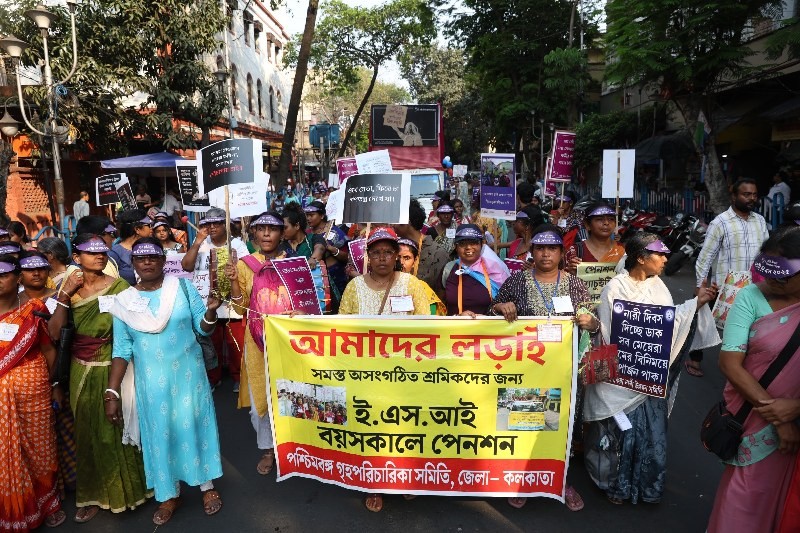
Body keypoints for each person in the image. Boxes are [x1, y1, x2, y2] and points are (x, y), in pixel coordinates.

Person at [583, 232, 719, 505]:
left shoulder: (659, 287)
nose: (666, 259)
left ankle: (646, 486)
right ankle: (617, 487)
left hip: (650, 375)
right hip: (620, 378)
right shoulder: (615, 288)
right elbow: (610, 334)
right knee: (619, 437)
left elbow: (668, 323)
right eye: (660, 254)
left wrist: (695, 304)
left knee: (651, 437)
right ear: (642, 259)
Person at [106, 238, 223, 525]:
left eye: (153, 257)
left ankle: (206, 486)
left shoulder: (181, 287)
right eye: (140, 258)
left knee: (195, 426)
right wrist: (112, 392)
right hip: (151, 385)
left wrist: (210, 311)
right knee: (160, 436)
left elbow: (203, 329)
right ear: (133, 263)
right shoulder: (124, 302)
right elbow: (121, 350)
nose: (147, 262)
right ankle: (169, 494)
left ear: (162, 260)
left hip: (189, 377)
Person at [490, 225, 600, 511]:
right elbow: (494, 308)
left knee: (559, 428)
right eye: (540, 248)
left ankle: (561, 480)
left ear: (561, 254)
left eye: (552, 249)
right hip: (525, 369)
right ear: (532, 253)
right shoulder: (516, 280)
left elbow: (594, 320)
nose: (546, 253)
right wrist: (500, 308)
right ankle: (522, 479)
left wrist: (591, 322)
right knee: (522, 426)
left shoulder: (574, 284)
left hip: (565, 372)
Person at [48, 235, 151, 522]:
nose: (99, 256)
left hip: (115, 365)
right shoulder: (68, 291)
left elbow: (137, 325)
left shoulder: (119, 287)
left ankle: (130, 490)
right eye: (90, 253)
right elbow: (54, 333)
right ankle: (93, 494)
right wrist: (65, 294)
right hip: (81, 370)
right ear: (76, 258)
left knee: (117, 430)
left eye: (103, 252)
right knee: (87, 433)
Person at [707, 229, 800, 532]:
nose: (772, 281)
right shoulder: (751, 295)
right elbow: (730, 362)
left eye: (783, 276)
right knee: (744, 499)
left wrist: (795, 409)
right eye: (767, 271)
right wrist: (779, 417)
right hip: (754, 424)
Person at [338, 227, 432, 513]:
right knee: (372, 431)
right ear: (368, 256)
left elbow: (428, 325)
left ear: (396, 256)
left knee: (406, 429)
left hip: (405, 375)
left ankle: (406, 478)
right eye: (376, 252)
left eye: (388, 252)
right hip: (366, 376)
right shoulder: (354, 287)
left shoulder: (412, 284)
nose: (382, 258)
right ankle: (375, 483)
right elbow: (342, 328)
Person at [224, 211, 297, 478]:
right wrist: (233, 281)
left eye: (273, 229)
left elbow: (305, 301)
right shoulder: (244, 264)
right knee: (259, 403)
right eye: (261, 229)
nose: (266, 234)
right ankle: (268, 449)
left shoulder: (293, 262)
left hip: (289, 341)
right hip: (256, 344)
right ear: (253, 233)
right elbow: (238, 305)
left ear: (282, 233)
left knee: (291, 395)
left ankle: (293, 447)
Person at [0, 254, 66, 529]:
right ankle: (14, 509)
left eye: (4, 275)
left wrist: (55, 385)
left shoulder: (32, 308)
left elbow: (49, 349)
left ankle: (48, 503)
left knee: (41, 448)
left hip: (34, 388)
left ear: (17, 279)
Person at [692, 178, 770, 377]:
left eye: (754, 194)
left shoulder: (760, 221)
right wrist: (701, 285)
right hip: (724, 288)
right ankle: (694, 357)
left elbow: (766, 252)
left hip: (754, 287)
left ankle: (739, 368)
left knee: (745, 328)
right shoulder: (720, 222)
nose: (751, 198)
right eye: (746, 194)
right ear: (734, 196)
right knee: (704, 323)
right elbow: (705, 257)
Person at [182, 207, 249, 391]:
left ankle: (239, 377)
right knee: (211, 342)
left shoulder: (237, 245)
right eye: (208, 223)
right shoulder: (201, 244)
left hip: (231, 303)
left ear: (226, 224)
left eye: (217, 223)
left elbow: (245, 271)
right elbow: (186, 266)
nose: (212, 227)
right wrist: (196, 242)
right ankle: (213, 378)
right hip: (207, 303)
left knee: (235, 342)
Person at [441, 224, 511, 317]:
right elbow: (439, 306)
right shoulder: (448, 269)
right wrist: (457, 317)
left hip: (488, 329)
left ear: (482, 244)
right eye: (462, 243)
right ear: (456, 247)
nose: (468, 247)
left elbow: (507, 304)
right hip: (454, 329)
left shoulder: (494, 269)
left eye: (473, 242)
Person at [393, 198, 450, 297]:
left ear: (407, 222)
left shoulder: (436, 253)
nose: (392, 225)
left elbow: (441, 293)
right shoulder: (394, 249)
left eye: (396, 221)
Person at [305, 200, 350, 312]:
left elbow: (348, 257)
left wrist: (331, 248)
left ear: (322, 216)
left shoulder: (335, 233)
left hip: (336, 278)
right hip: (314, 281)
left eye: (311, 215)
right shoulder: (306, 234)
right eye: (307, 215)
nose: (308, 218)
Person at [565, 202, 626, 275]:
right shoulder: (575, 251)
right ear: (587, 224)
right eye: (599, 219)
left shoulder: (623, 251)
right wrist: (572, 272)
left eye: (611, 219)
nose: (606, 223)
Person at [397, 237, 446, 315]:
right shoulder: (379, 284)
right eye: (397, 257)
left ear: (415, 261)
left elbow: (431, 318)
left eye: (407, 258)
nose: (401, 262)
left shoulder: (422, 287)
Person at [109, 209, 153, 286]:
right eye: (148, 225)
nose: (151, 228)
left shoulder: (152, 248)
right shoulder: (114, 254)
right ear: (137, 229)